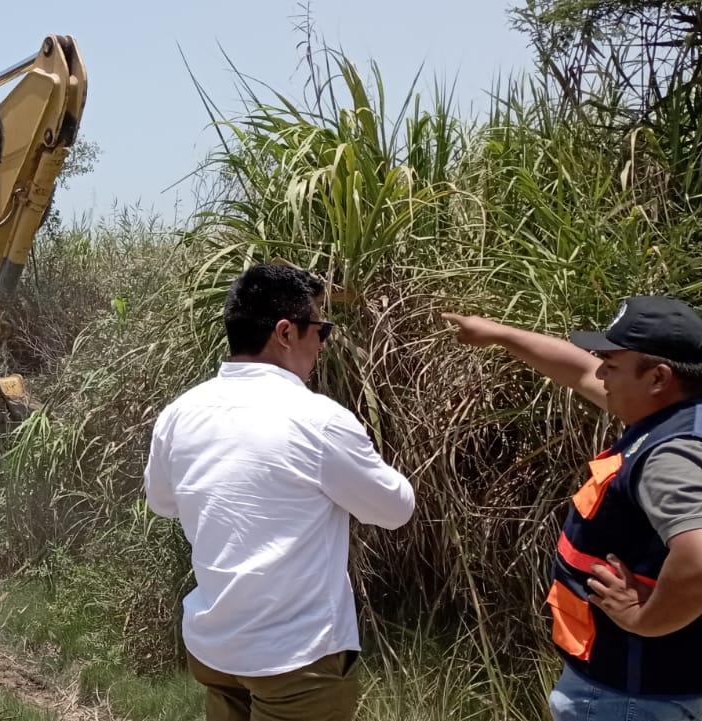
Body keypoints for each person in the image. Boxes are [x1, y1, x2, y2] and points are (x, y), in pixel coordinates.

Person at [144, 264, 416, 721]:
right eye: (321, 329)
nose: (323, 343)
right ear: (286, 333)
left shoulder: (179, 413)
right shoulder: (317, 420)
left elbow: (162, 501)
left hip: (216, 650)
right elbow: (395, 509)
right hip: (296, 661)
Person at [442, 296, 702, 720]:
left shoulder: (669, 454)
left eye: (612, 366)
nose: (600, 373)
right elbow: (579, 370)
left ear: (658, 377)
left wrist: (646, 619)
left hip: (630, 697)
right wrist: (499, 334)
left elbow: (698, 558)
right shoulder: (678, 414)